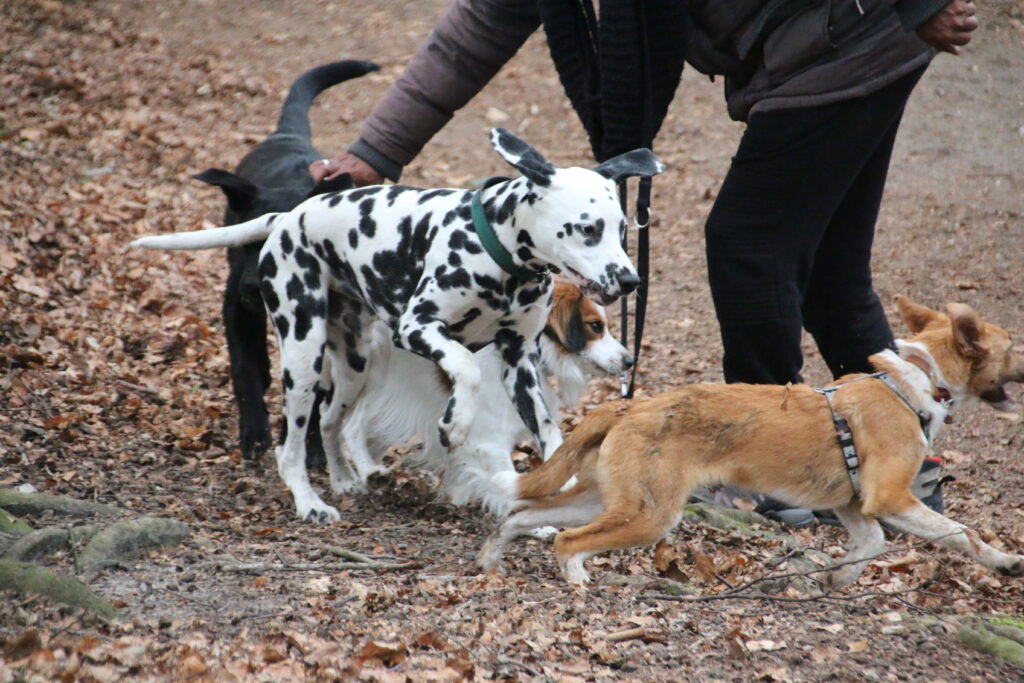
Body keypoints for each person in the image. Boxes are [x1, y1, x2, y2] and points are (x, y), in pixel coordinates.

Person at [312, 0, 978, 524]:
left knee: (747, 245)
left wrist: (918, 5)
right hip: (835, 42)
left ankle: (769, 469)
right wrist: (378, 151)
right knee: (830, 277)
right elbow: (484, 21)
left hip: (853, 35)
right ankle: (898, 476)